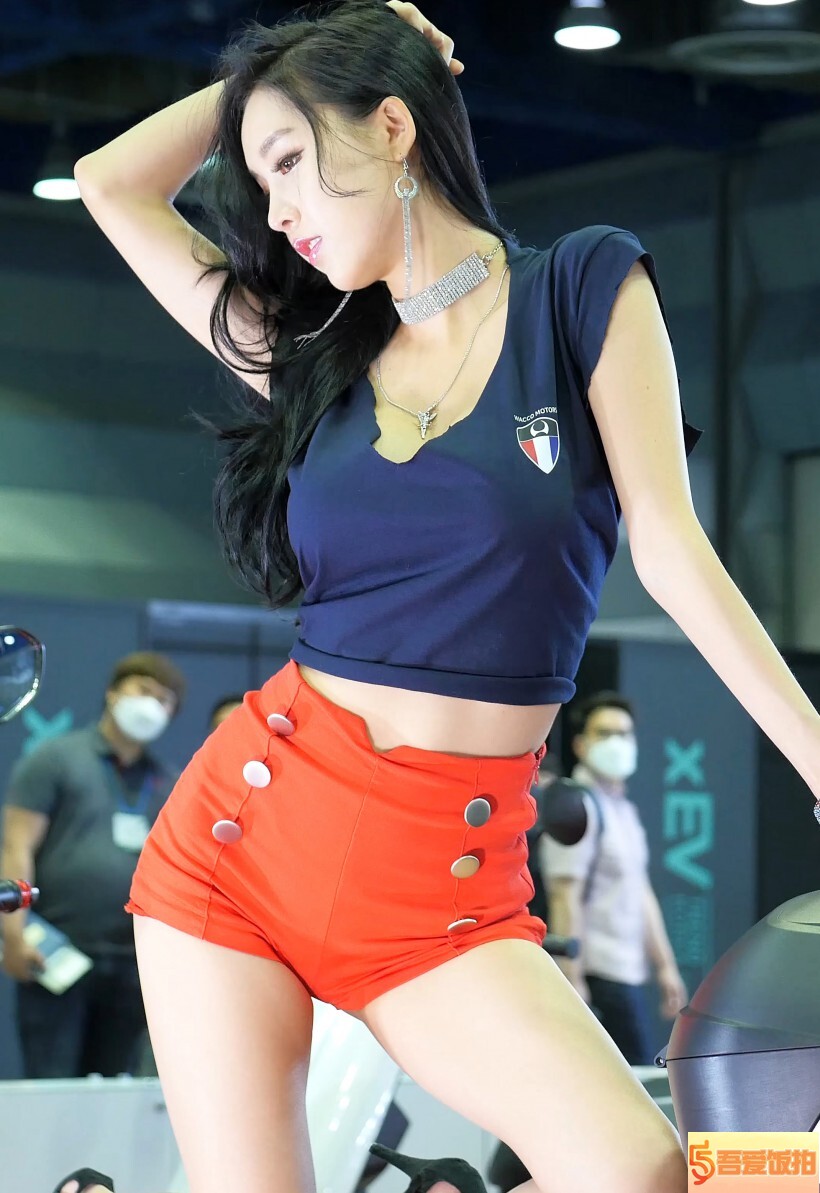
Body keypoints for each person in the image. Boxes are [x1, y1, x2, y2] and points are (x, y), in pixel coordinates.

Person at [59, 2, 820, 1192]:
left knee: (639, 1172)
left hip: (442, 892)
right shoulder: (312, 358)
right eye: (260, 180)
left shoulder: (579, 289)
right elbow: (109, 183)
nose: (276, 209)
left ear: (392, 126)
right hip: (240, 847)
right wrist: (271, 83)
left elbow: (673, 554)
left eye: (291, 161)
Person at [0, 652, 183, 1079]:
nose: (151, 705)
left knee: (115, 1093)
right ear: (113, 693)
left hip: (134, 962)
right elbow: (16, 846)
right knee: (53, 1086)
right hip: (56, 952)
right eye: (143, 691)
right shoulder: (55, 759)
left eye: (164, 700)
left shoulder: (168, 781)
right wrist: (12, 935)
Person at [541, 692, 687, 1066]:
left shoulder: (623, 809)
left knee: (640, 1075)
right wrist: (572, 980)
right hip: (595, 973)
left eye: (624, 733)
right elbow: (564, 894)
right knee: (628, 1082)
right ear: (581, 744)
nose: (616, 742)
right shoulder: (575, 805)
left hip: (626, 973)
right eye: (604, 733)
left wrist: (665, 966)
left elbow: (640, 890)